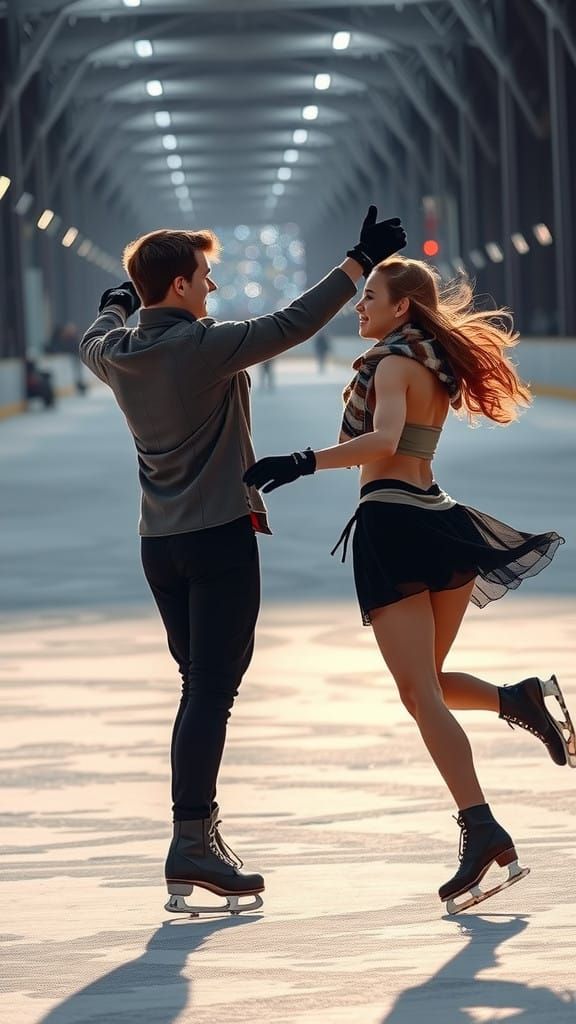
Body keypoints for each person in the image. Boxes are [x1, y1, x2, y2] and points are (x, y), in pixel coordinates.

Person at [78, 212, 407, 916]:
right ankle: (192, 839)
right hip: (220, 537)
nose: (213, 284)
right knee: (210, 691)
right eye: (203, 276)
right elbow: (292, 323)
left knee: (197, 685)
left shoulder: (117, 353)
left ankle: (196, 833)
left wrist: (116, 303)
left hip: (158, 544)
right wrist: (356, 262)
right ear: (178, 284)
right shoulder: (203, 347)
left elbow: (92, 336)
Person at [244, 255, 574, 915]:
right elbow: (404, 440)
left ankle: (482, 827)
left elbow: (385, 439)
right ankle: (521, 700)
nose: (358, 307)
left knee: (421, 694)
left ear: (401, 308)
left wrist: (303, 460)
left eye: (370, 297)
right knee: (428, 683)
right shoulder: (430, 361)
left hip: (394, 526)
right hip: (441, 521)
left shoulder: (393, 363)